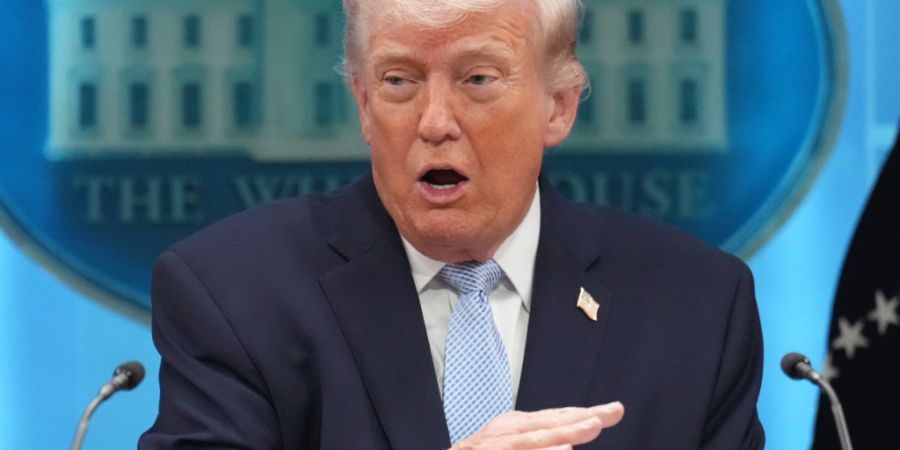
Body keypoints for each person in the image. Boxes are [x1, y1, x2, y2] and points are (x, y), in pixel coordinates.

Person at [140, 0, 765, 448]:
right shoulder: (233, 293)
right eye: (399, 80)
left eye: (477, 79)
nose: (435, 120)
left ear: (559, 106)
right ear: (362, 102)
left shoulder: (697, 305)